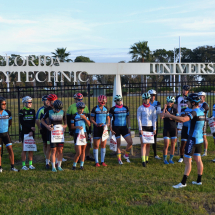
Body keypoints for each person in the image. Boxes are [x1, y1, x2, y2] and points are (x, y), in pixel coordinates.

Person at [161, 93, 205, 188]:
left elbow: (184, 119)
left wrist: (169, 116)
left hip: (192, 139)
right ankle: (199, 181)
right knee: (198, 160)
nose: (187, 103)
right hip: (199, 139)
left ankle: (183, 183)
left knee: (187, 161)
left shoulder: (194, 113)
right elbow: (182, 120)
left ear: (193, 103)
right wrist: (172, 117)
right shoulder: (201, 111)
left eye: (189, 102)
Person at [67, 93, 94, 161]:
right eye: (78, 99)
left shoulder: (85, 106)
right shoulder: (71, 107)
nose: (80, 100)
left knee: (87, 142)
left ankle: (87, 155)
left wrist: (89, 129)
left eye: (81, 99)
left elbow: (88, 117)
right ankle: (78, 156)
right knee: (77, 142)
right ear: (75, 99)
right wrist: (70, 129)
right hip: (76, 127)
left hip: (84, 127)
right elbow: (68, 119)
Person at [42, 100, 67, 172]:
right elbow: (42, 120)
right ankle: (53, 167)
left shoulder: (63, 112)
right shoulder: (49, 112)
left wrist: (65, 126)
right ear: (54, 107)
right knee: (53, 150)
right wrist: (47, 126)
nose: (59, 111)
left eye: (60, 109)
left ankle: (59, 165)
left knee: (60, 149)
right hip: (52, 133)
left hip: (60, 133)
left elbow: (65, 121)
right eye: (57, 109)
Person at [109, 95, 133, 164]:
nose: (119, 101)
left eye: (120, 100)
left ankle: (126, 155)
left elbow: (128, 118)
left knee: (130, 142)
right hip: (116, 128)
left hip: (124, 127)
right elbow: (109, 119)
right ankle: (119, 159)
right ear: (115, 101)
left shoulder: (125, 108)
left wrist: (129, 127)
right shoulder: (112, 109)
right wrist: (111, 129)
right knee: (118, 144)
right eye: (118, 100)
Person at [137, 93, 156, 167]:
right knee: (143, 144)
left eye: (148, 99)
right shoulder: (140, 108)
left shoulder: (152, 108)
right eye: (145, 99)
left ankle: (147, 158)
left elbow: (154, 119)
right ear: (143, 99)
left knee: (148, 144)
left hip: (150, 127)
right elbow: (139, 119)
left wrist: (154, 128)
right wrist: (140, 129)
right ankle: (143, 160)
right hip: (143, 127)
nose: (147, 100)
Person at [0, 97, 19, 172]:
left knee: (10, 149)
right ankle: (0, 167)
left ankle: (12, 167)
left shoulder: (8, 112)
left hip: (5, 134)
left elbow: (10, 122)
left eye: (5, 103)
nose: (5, 105)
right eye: (3, 104)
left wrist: (5, 128)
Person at [90, 95, 110, 167]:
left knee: (103, 145)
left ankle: (102, 161)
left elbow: (108, 118)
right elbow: (91, 119)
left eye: (104, 101)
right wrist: (96, 124)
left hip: (104, 128)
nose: (103, 102)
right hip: (97, 128)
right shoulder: (95, 109)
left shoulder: (106, 108)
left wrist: (107, 124)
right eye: (102, 101)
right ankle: (96, 162)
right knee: (96, 145)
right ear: (99, 101)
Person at [71, 102, 91, 170]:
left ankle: (81, 165)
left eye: (82, 109)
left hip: (84, 133)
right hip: (77, 134)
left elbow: (89, 124)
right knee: (78, 152)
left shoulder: (85, 115)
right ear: (77, 109)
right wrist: (77, 127)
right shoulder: (74, 116)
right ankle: (74, 165)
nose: (81, 110)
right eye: (80, 109)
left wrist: (85, 118)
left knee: (83, 151)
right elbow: (72, 127)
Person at [19, 96, 36, 170]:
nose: (30, 103)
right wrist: (30, 128)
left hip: (31, 132)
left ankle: (30, 164)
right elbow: (22, 122)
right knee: (24, 149)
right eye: (28, 102)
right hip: (25, 132)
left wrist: (32, 131)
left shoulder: (33, 110)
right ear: (24, 103)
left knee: (31, 149)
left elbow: (33, 122)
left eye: (31, 102)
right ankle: (23, 165)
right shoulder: (21, 111)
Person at [175, 85, 190, 163]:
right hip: (180, 119)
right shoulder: (178, 97)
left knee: (189, 141)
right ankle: (180, 156)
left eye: (186, 90)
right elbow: (175, 107)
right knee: (180, 138)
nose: (185, 91)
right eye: (184, 90)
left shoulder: (189, 98)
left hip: (188, 120)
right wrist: (177, 115)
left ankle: (188, 156)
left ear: (188, 91)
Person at [42, 94, 58, 169]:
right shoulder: (47, 109)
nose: (52, 102)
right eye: (51, 101)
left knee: (57, 147)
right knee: (49, 147)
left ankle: (56, 161)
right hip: (49, 130)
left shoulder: (58, 108)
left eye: (54, 101)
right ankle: (47, 163)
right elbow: (46, 120)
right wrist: (48, 126)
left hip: (57, 130)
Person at [161, 96, 178, 164]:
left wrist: (171, 117)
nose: (169, 103)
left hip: (173, 128)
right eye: (168, 101)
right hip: (166, 128)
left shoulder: (175, 110)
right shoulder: (164, 109)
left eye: (171, 101)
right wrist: (164, 108)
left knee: (173, 144)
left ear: (173, 103)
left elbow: (177, 118)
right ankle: (165, 159)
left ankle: (171, 159)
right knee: (166, 144)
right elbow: (161, 116)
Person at [36, 95, 50, 161]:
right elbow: (37, 120)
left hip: (51, 129)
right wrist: (40, 128)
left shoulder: (52, 108)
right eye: (46, 100)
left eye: (48, 100)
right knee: (45, 143)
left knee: (52, 144)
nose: (47, 102)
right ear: (43, 101)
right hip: (44, 128)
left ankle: (55, 157)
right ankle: (46, 157)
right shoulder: (41, 109)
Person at [148, 89, 161, 159]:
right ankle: (146, 154)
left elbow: (158, 112)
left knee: (154, 139)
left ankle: (155, 154)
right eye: (151, 95)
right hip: (147, 123)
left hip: (155, 123)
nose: (152, 97)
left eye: (153, 95)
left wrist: (150, 111)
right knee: (147, 139)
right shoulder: (146, 103)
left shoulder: (157, 103)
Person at [198, 92, 209, 157]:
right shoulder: (197, 103)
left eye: (201, 96)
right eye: (199, 96)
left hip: (203, 121)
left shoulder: (205, 104)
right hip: (197, 121)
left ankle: (205, 151)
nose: (199, 97)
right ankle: (197, 150)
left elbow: (203, 113)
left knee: (204, 136)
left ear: (204, 97)